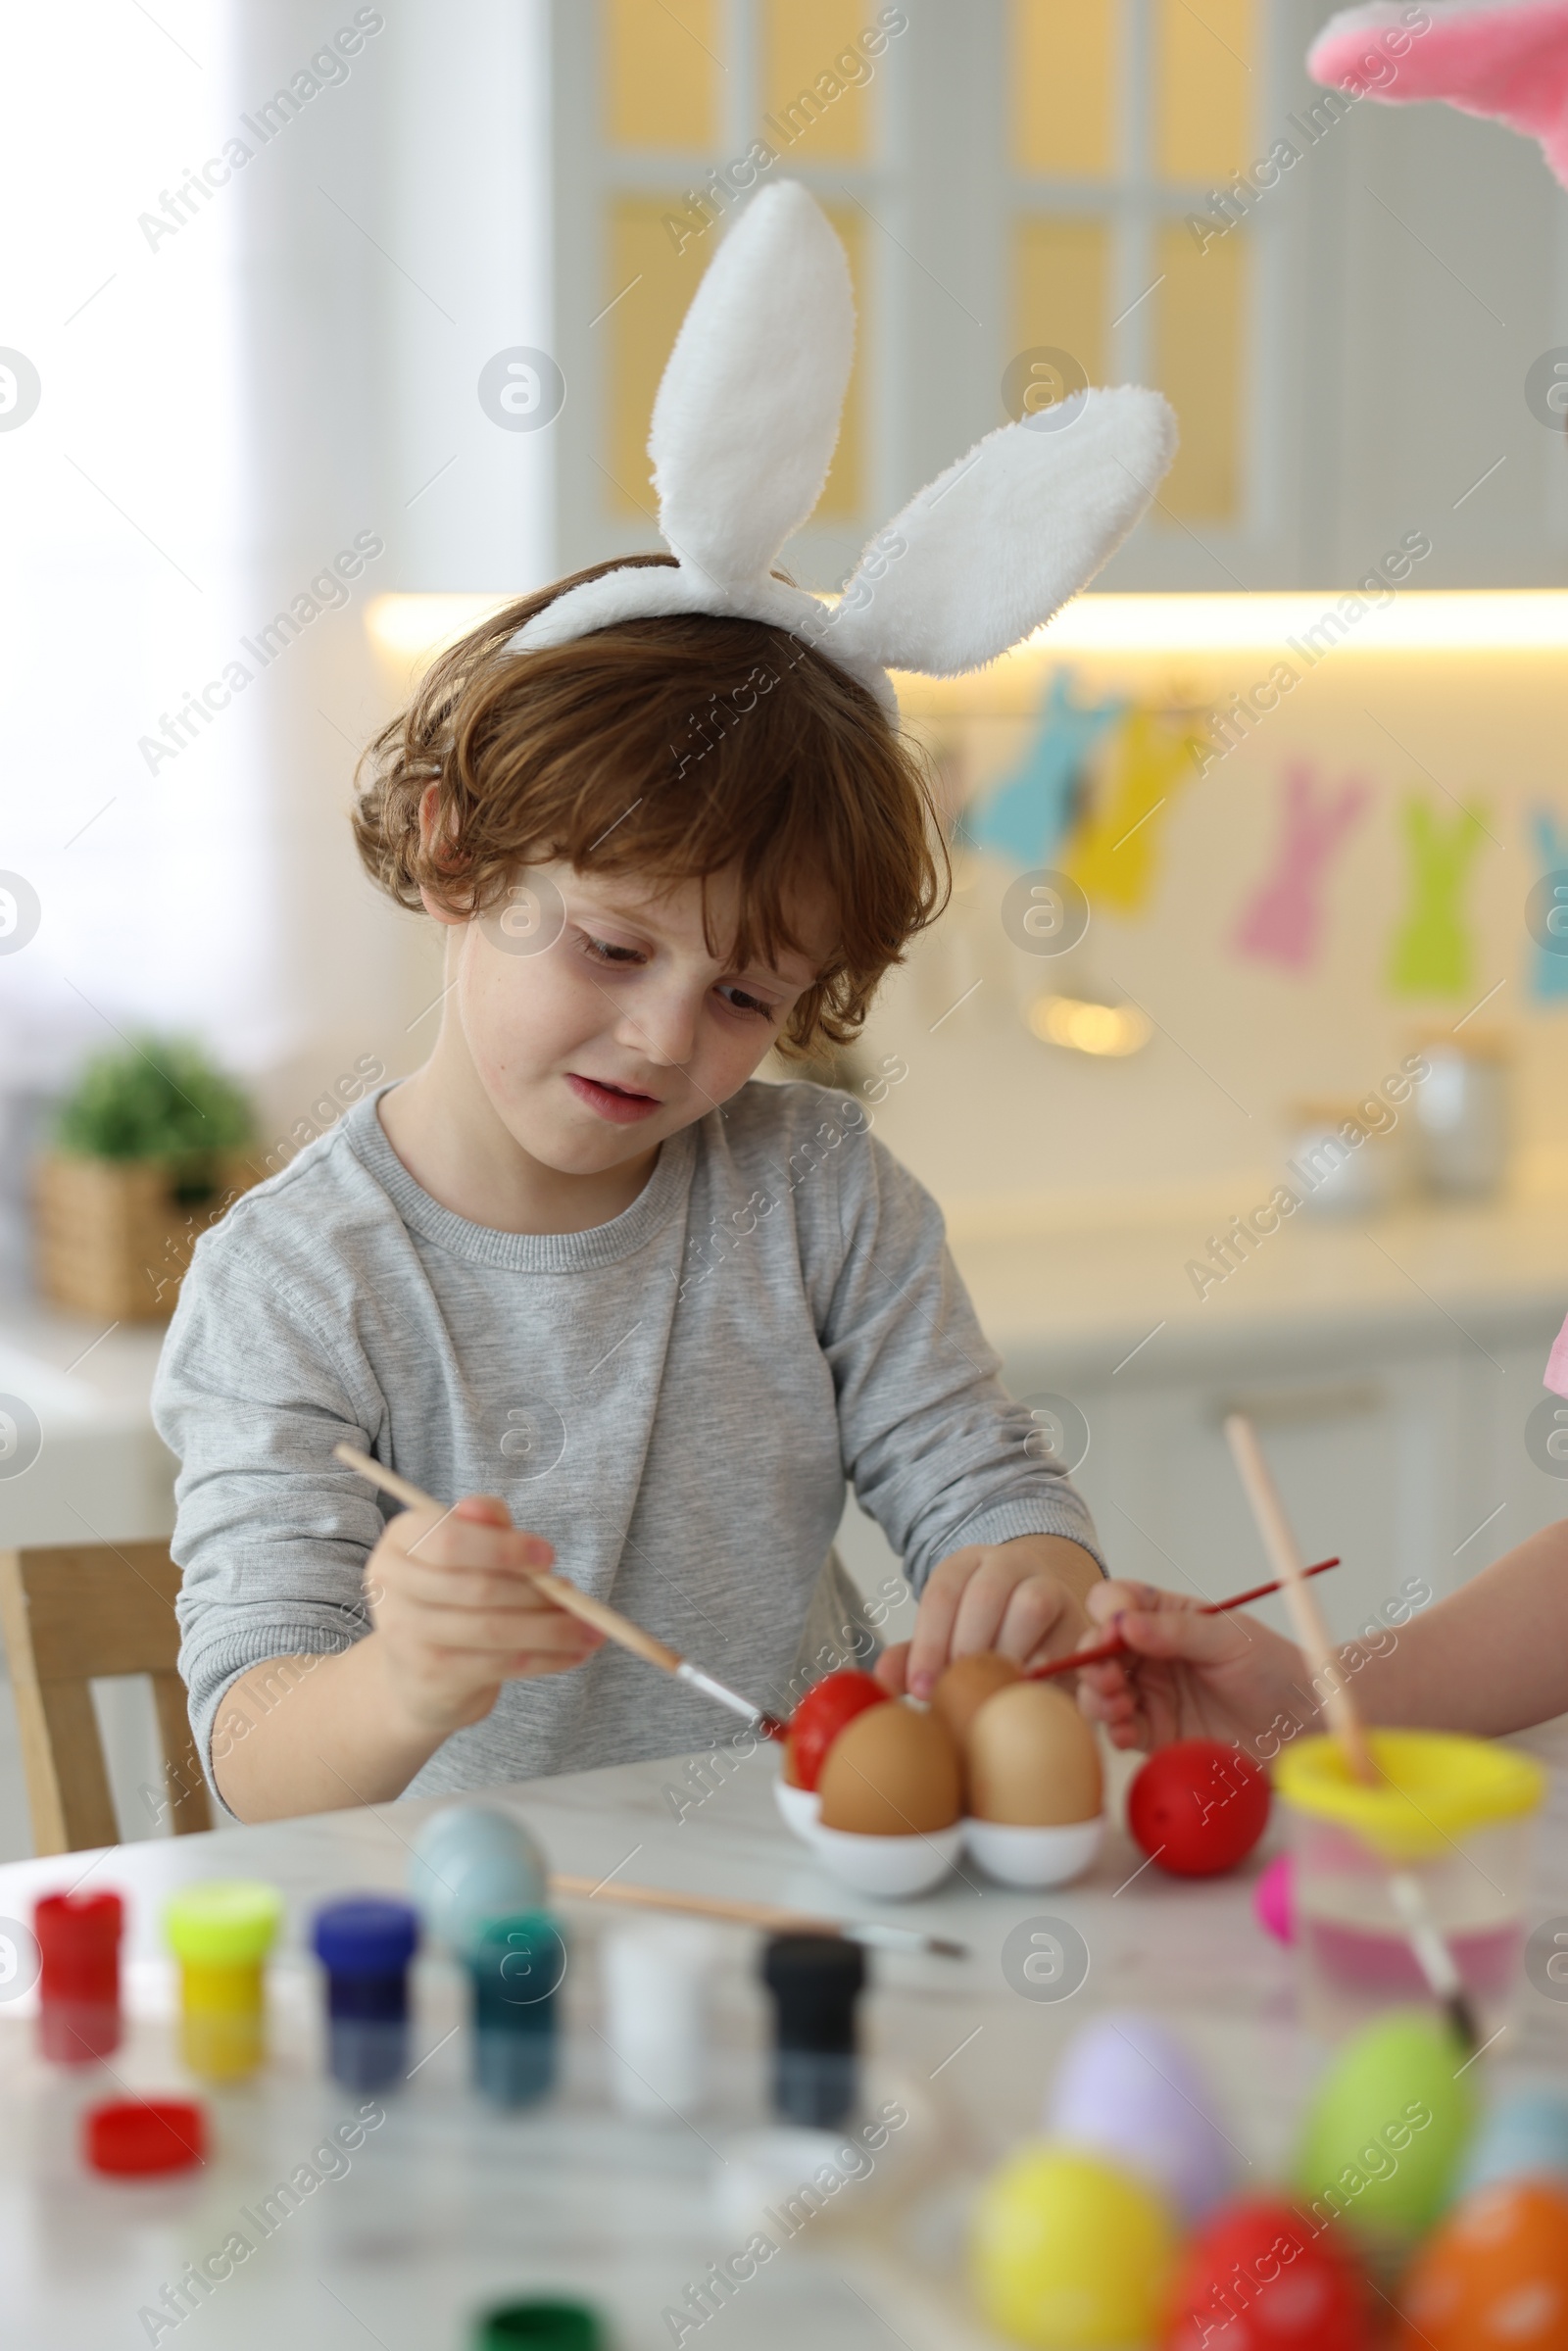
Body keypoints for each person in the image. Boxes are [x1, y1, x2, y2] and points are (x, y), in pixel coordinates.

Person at [153, 181, 1177, 1823]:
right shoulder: (291, 1285)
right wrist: (399, 1676)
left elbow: (979, 1483)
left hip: (793, 1894)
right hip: (442, 1949)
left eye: (746, 994)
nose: (662, 1038)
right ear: (454, 854)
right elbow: (261, 1766)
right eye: (613, 950)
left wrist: (1025, 1569)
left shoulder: (818, 1192)